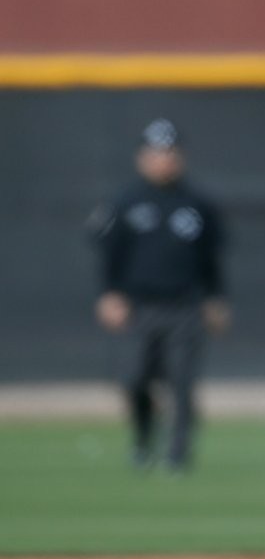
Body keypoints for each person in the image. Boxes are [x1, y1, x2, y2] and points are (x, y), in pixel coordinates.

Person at [89, 118, 231, 470]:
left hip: (185, 305)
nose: (163, 160)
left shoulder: (197, 204)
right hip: (139, 306)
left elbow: (212, 258)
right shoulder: (125, 202)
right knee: (135, 378)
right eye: (156, 153)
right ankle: (143, 440)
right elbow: (108, 253)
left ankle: (177, 454)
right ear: (142, 157)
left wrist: (215, 299)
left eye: (170, 153)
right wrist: (109, 294)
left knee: (182, 382)